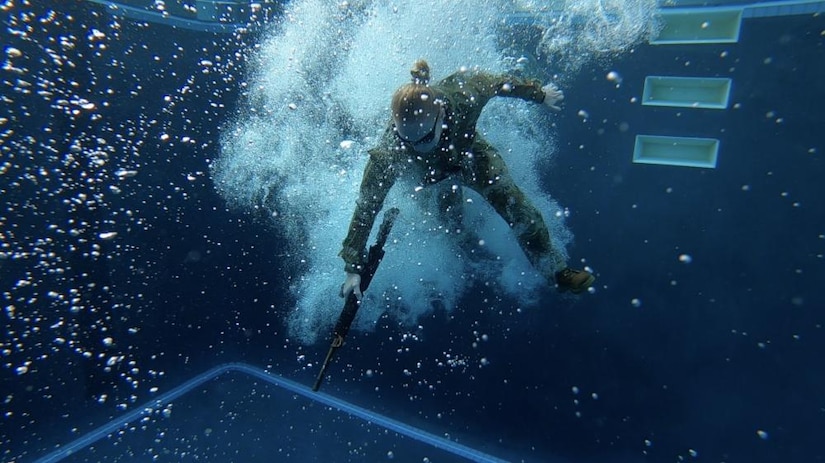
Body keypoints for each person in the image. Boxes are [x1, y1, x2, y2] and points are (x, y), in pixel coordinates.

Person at [339, 59, 595, 300]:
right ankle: (461, 239)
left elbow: (500, 83)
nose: (415, 147)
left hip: (469, 155)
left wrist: (539, 94)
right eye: (406, 140)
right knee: (450, 225)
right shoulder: (390, 152)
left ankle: (555, 270)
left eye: (424, 139)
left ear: (440, 114)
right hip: (428, 178)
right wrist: (353, 268)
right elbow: (366, 207)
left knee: (514, 204)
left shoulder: (464, 93)